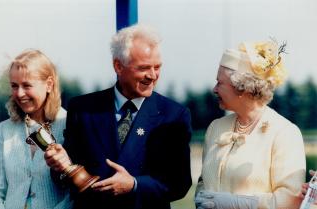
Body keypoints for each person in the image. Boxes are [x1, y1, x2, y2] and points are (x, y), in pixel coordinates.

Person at [44, 24, 192, 209]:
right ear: (118, 66)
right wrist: (60, 167)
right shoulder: (83, 109)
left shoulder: (174, 115)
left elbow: (180, 184)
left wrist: (134, 184)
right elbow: (63, 179)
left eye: (157, 67)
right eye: (144, 68)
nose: (153, 75)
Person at [195, 40, 306, 209]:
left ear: (242, 89)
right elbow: (203, 185)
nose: (215, 89)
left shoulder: (284, 133)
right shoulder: (215, 128)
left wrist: (234, 204)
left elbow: (290, 201)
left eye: (220, 83)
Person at [0, 49, 72, 209]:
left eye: (27, 85)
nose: (19, 93)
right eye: (14, 86)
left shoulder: (71, 124)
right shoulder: (4, 129)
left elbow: (75, 193)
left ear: (49, 84)